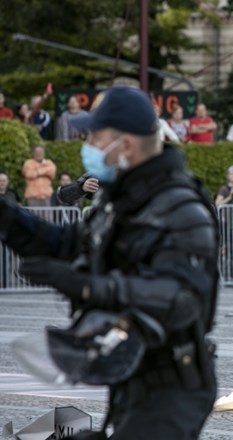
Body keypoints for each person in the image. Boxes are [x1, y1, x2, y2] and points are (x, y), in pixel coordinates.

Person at [0, 86, 220, 439]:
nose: (88, 144)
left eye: (96, 136)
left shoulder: (181, 208)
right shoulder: (121, 198)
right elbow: (71, 242)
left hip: (174, 386)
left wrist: (85, 285)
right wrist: (7, 219)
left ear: (127, 145)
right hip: (132, 373)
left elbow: (178, 298)